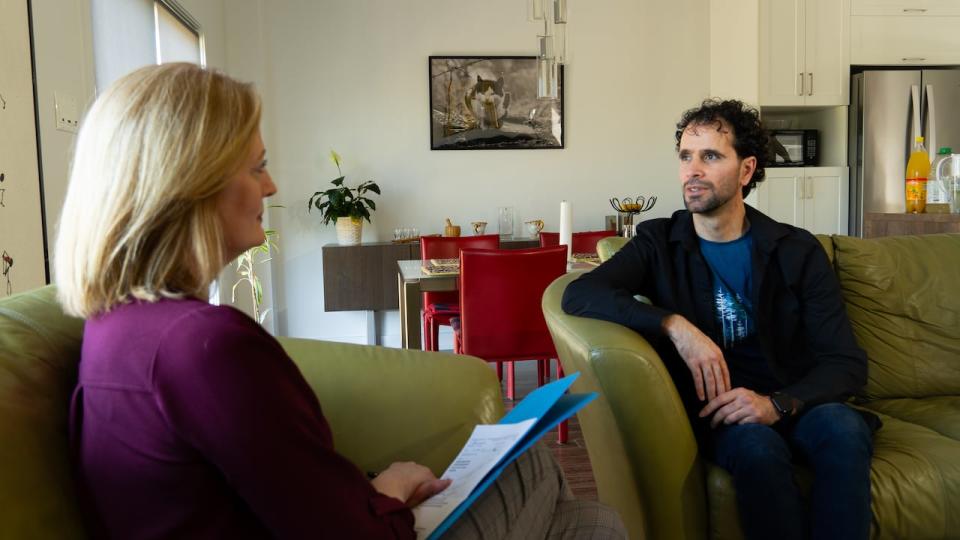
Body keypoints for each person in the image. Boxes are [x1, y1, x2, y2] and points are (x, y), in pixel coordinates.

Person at [55, 63, 623, 539]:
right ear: (188, 184)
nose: (272, 186)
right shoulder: (203, 346)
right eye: (256, 167)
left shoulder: (115, 329)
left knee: (588, 525)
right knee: (536, 466)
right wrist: (393, 488)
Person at [562, 98, 876, 540]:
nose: (693, 170)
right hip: (720, 414)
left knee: (843, 427)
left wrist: (777, 403)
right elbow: (581, 293)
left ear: (746, 171)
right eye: (686, 157)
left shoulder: (795, 250)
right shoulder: (659, 242)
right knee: (756, 448)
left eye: (710, 156)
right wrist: (675, 325)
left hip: (794, 400)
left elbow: (846, 363)